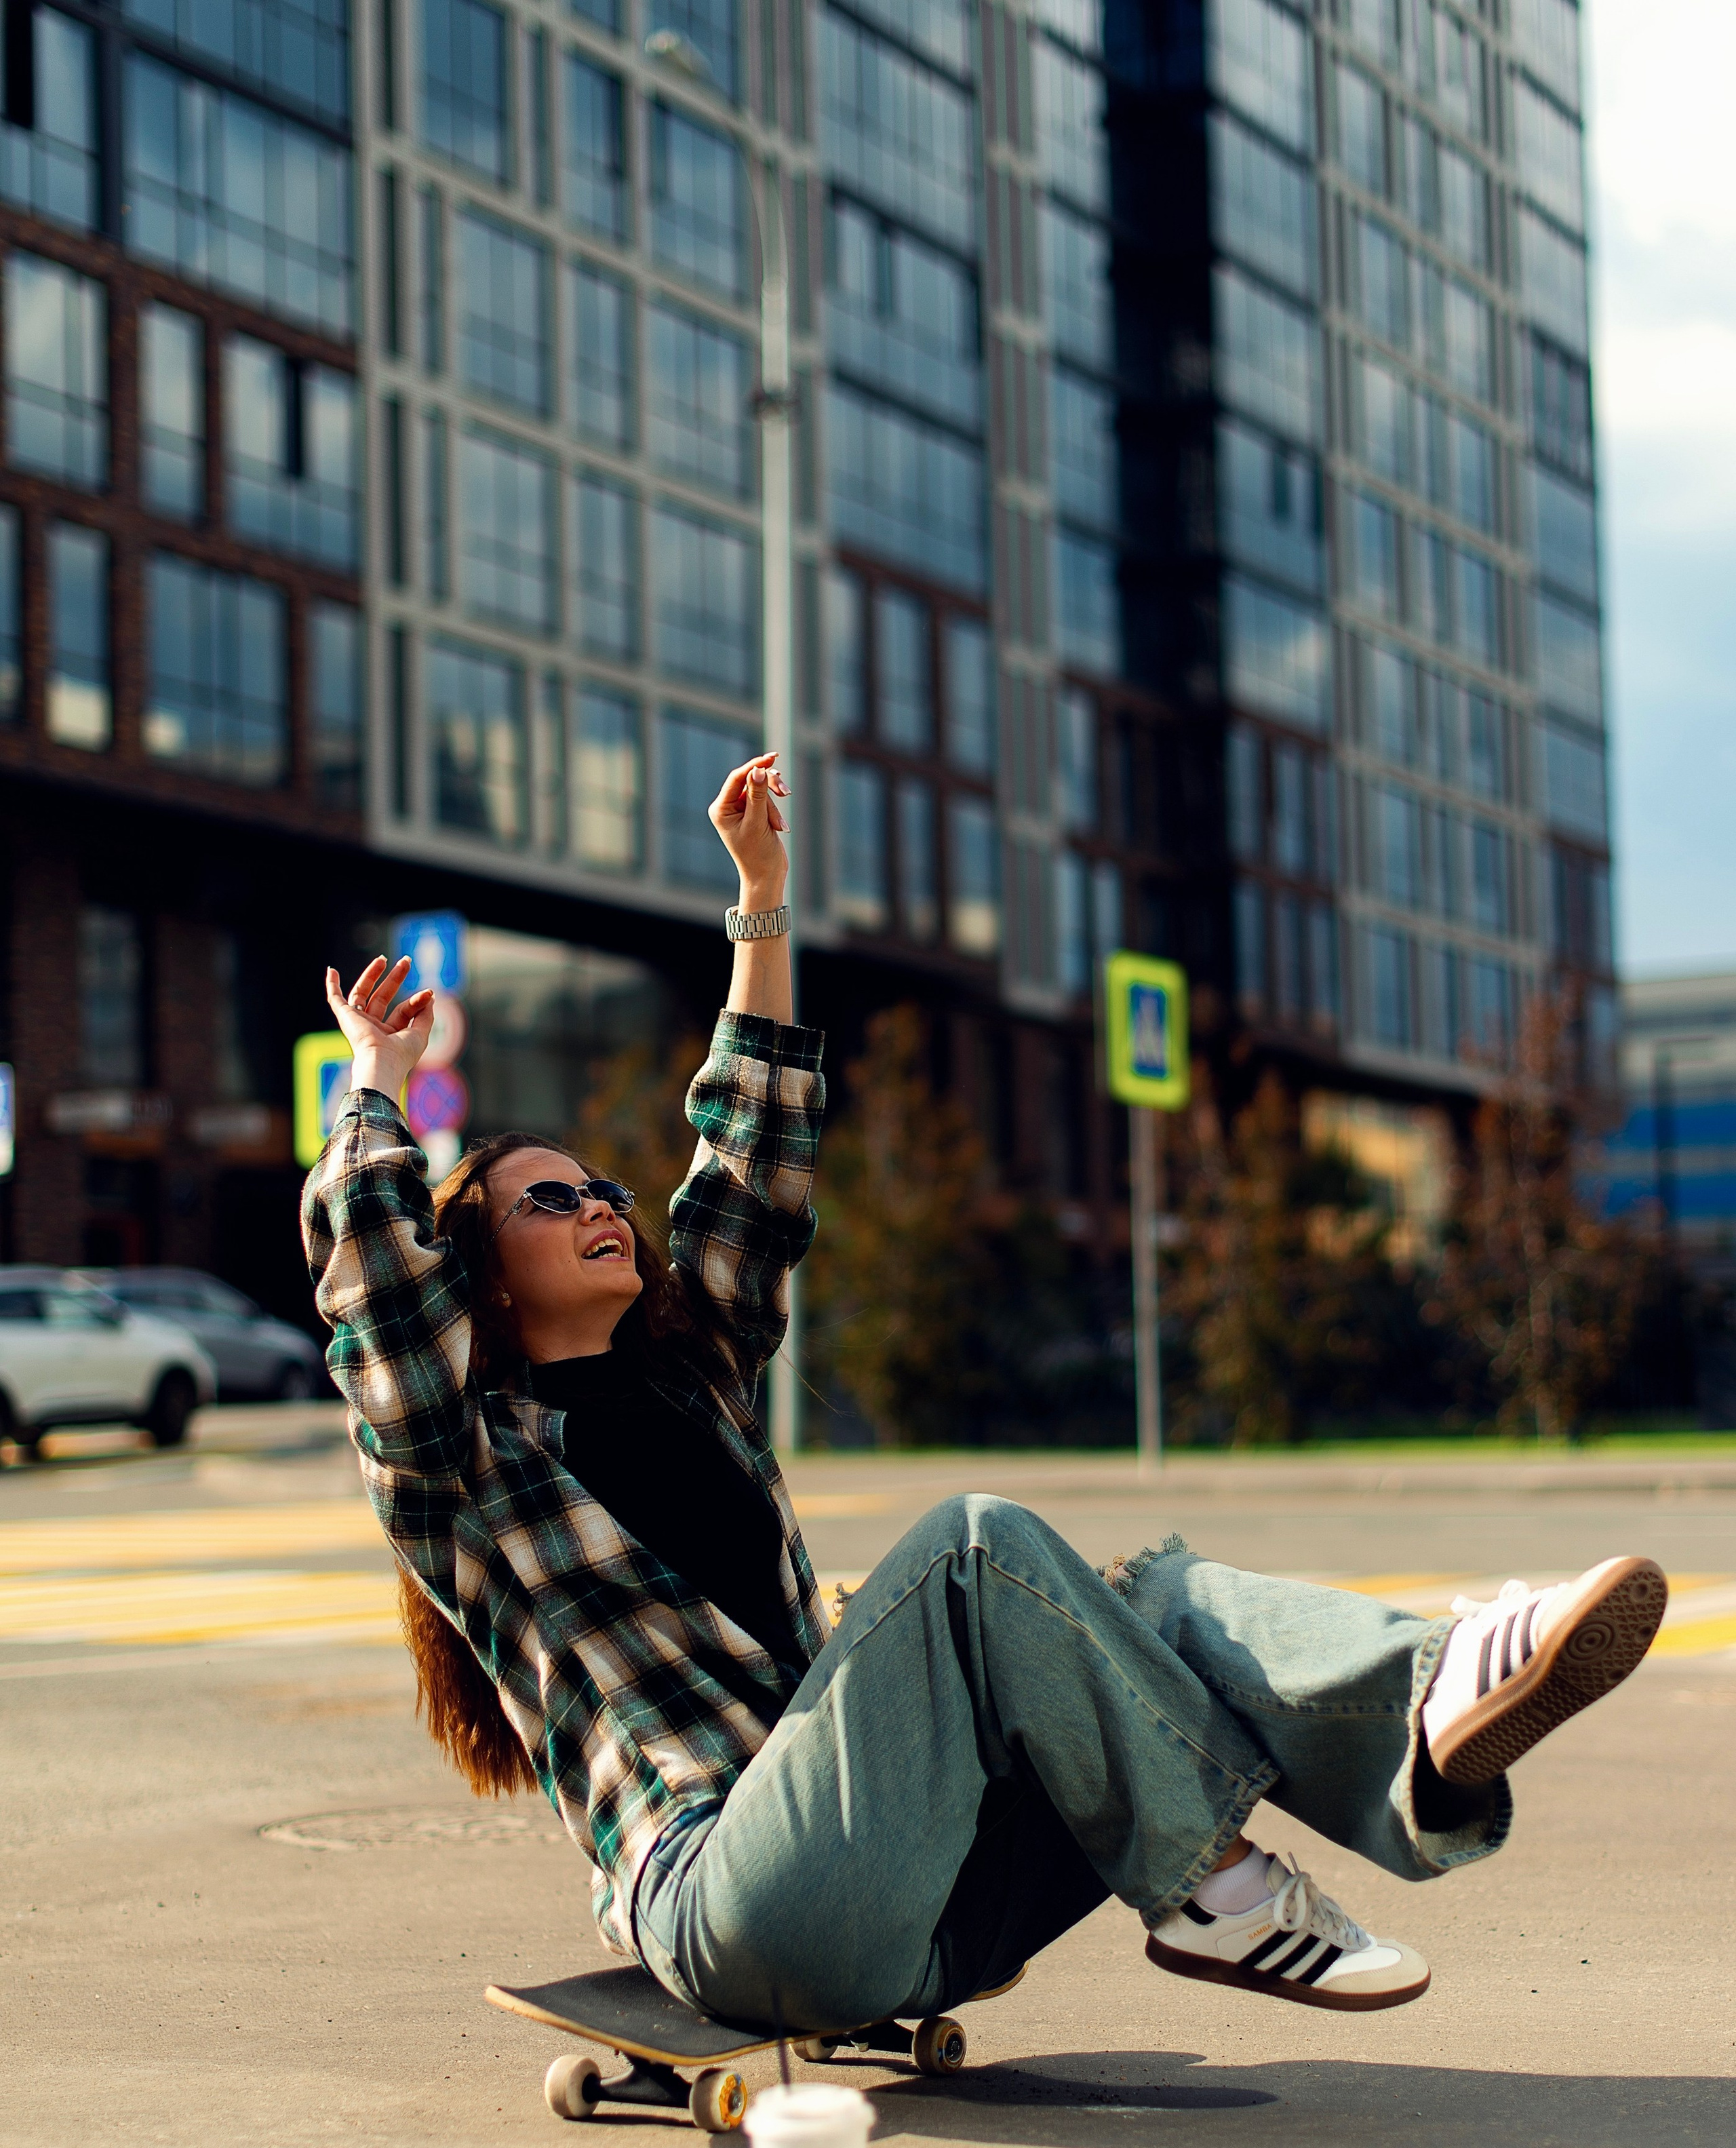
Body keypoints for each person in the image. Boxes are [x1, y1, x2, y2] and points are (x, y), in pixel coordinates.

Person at [303, 753, 1668, 2033]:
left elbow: (750, 1166)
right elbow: (371, 1287)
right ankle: (1219, 1889)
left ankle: (1424, 1712)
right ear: (478, 1268)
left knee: (1153, 1603)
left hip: (924, 1899)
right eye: (552, 1197)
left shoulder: (690, 1378)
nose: (602, 1201)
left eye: (603, 1187)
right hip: (735, 1899)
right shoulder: (462, 1456)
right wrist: (377, 1082)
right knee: (974, 1546)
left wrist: (759, 906)